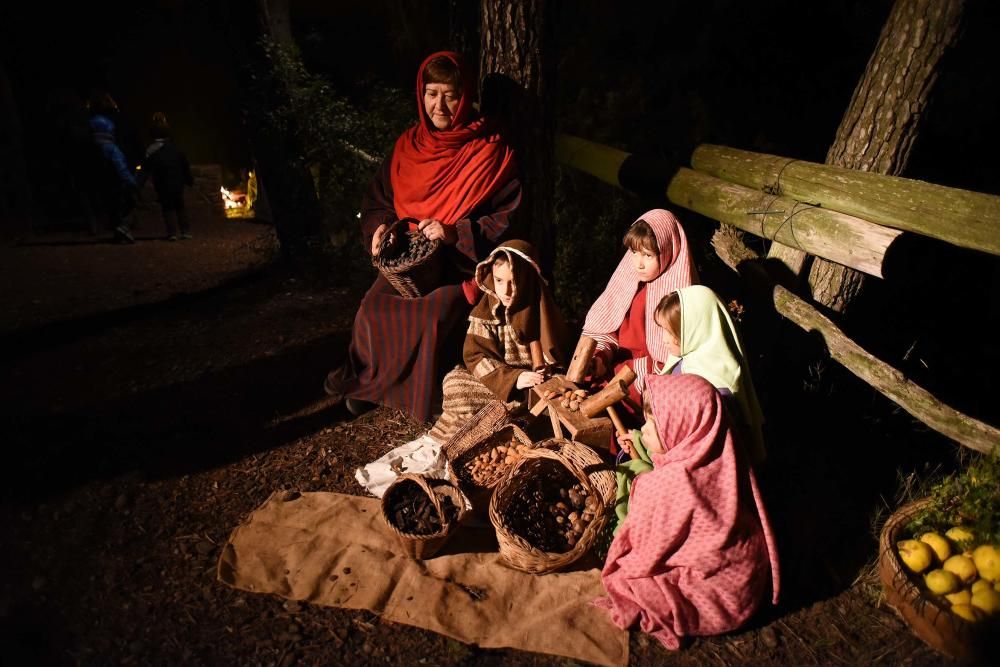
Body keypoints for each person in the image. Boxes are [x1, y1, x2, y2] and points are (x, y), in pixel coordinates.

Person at [324, 51, 520, 421]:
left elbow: (504, 218)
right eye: (431, 93)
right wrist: (379, 226)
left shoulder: (491, 147)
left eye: (449, 94)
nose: (439, 105)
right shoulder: (407, 147)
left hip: (462, 264)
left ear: (464, 97)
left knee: (431, 315)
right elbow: (378, 199)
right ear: (421, 94)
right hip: (411, 261)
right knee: (371, 307)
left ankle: (407, 396)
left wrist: (454, 232)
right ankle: (369, 383)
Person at [595, 373, 780, 650]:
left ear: (682, 428)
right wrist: (638, 441)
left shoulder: (668, 484)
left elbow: (646, 549)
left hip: (717, 595)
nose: (644, 429)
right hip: (747, 581)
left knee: (630, 571)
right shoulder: (721, 458)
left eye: (652, 424)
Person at [428, 240, 569, 443]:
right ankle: (503, 411)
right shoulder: (486, 312)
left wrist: (544, 372)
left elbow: (558, 354)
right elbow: (475, 357)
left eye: (514, 282)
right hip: (502, 384)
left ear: (527, 280)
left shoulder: (542, 310)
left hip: (533, 390)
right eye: (499, 281)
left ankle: (512, 414)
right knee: (454, 383)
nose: (506, 290)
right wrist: (514, 379)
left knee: (546, 401)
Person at [581, 209, 698, 444]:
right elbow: (609, 328)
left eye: (648, 255)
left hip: (646, 384)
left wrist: (633, 370)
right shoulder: (630, 281)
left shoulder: (678, 300)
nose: (638, 263)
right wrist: (600, 358)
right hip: (615, 372)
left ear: (667, 252)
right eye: (634, 252)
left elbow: (672, 360)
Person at [653, 285, 766, 463]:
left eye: (669, 331)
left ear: (694, 328)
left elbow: (701, 444)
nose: (664, 339)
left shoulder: (714, 381)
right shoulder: (684, 361)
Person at [87, 91, 137, 243]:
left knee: (112, 208)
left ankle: (117, 231)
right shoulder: (111, 147)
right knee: (130, 204)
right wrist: (130, 181)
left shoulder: (91, 146)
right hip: (116, 181)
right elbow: (119, 164)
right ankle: (123, 228)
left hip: (100, 181)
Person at [136, 112, 194, 241]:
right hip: (177, 181)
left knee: (167, 207)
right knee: (180, 205)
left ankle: (172, 232)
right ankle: (185, 231)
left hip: (162, 182)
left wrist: (138, 184)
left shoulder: (152, 151)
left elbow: (145, 169)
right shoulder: (176, 150)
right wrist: (189, 180)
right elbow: (184, 165)